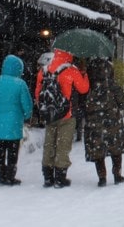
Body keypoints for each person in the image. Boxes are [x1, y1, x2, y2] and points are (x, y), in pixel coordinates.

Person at [35, 49, 89, 188]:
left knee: (49, 145)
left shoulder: (44, 69)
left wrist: (47, 107)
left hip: (49, 114)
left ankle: (47, 176)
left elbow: (37, 93)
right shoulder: (71, 70)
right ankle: (60, 177)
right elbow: (83, 89)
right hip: (66, 114)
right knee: (63, 146)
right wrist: (84, 75)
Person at [0, 55, 33, 186]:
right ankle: (10, 176)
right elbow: (27, 104)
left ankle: (1, 175)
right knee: (12, 151)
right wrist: (26, 115)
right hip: (14, 124)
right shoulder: (20, 84)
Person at [84, 59, 124, 187]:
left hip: (94, 123)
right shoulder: (113, 86)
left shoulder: (89, 86)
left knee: (98, 149)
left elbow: (83, 105)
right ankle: (117, 175)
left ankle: (102, 177)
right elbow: (123, 103)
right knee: (115, 149)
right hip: (112, 122)